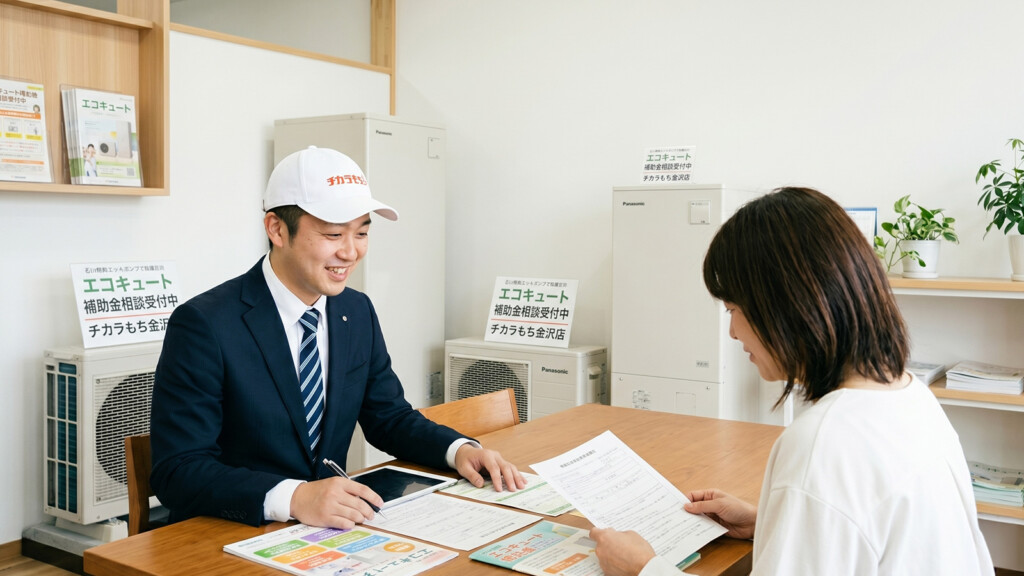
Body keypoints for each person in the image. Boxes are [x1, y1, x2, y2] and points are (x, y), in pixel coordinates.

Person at [590, 187, 994, 575]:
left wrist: (642, 569)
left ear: (784, 307)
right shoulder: (909, 394)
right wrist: (772, 520)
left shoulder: (823, 444)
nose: (732, 332)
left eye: (733, 308)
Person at [151, 146, 526, 528]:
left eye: (362, 232)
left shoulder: (355, 311)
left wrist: (457, 449)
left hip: (329, 532)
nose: (351, 252)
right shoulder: (205, 324)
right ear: (277, 229)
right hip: (228, 533)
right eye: (333, 234)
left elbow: (388, 417)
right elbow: (178, 470)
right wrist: (294, 497)